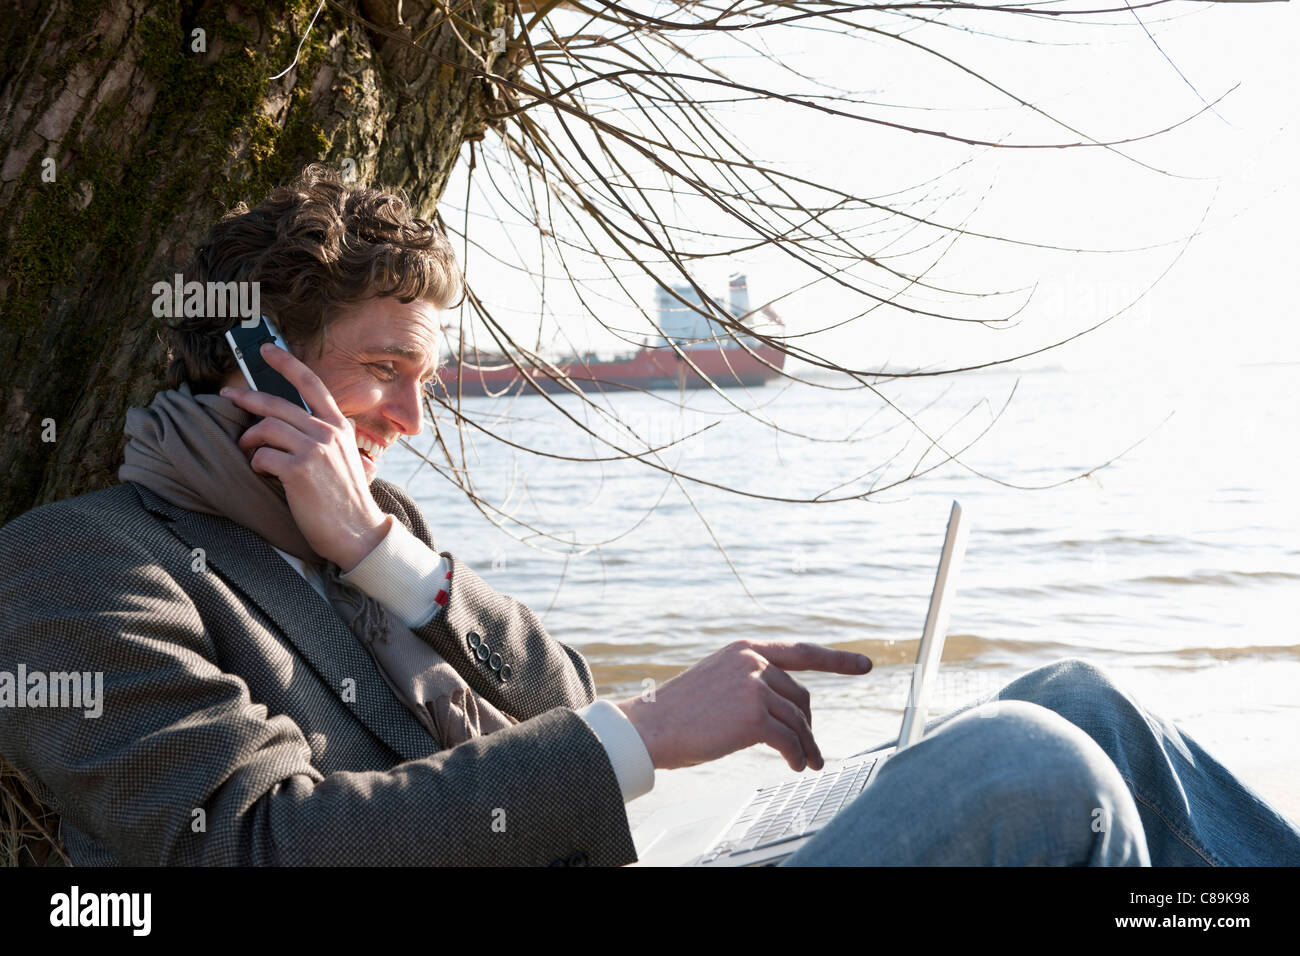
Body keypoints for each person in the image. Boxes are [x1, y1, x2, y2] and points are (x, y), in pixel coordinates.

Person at [1, 164, 1296, 866]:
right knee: (1033, 772)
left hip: (646, 851)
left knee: (1083, 700)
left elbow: (554, 694)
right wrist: (653, 724)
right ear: (253, 365)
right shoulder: (82, 565)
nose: (412, 413)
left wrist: (395, 563)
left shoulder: (354, 531)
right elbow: (254, 846)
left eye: (426, 376)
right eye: (384, 368)